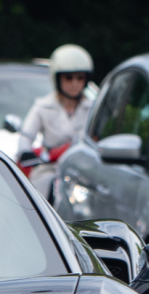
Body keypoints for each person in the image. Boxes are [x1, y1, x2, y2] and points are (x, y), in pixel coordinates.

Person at [17, 44, 98, 197]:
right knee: (39, 197)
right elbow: (26, 136)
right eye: (68, 78)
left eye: (80, 78)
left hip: (84, 170)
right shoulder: (42, 106)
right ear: (57, 78)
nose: (75, 83)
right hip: (49, 168)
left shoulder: (94, 108)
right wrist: (25, 151)